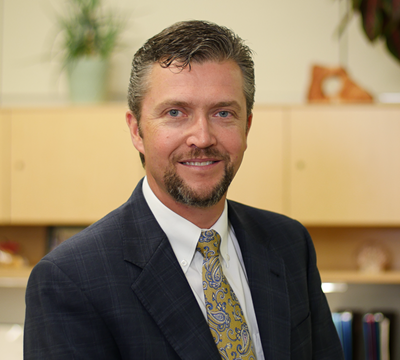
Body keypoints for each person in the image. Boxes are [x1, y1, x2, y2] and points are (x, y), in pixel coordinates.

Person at [24, 20, 344, 360]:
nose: (202, 138)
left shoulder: (289, 243)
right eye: (175, 113)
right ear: (136, 130)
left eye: (223, 113)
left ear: (247, 126)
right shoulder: (70, 279)